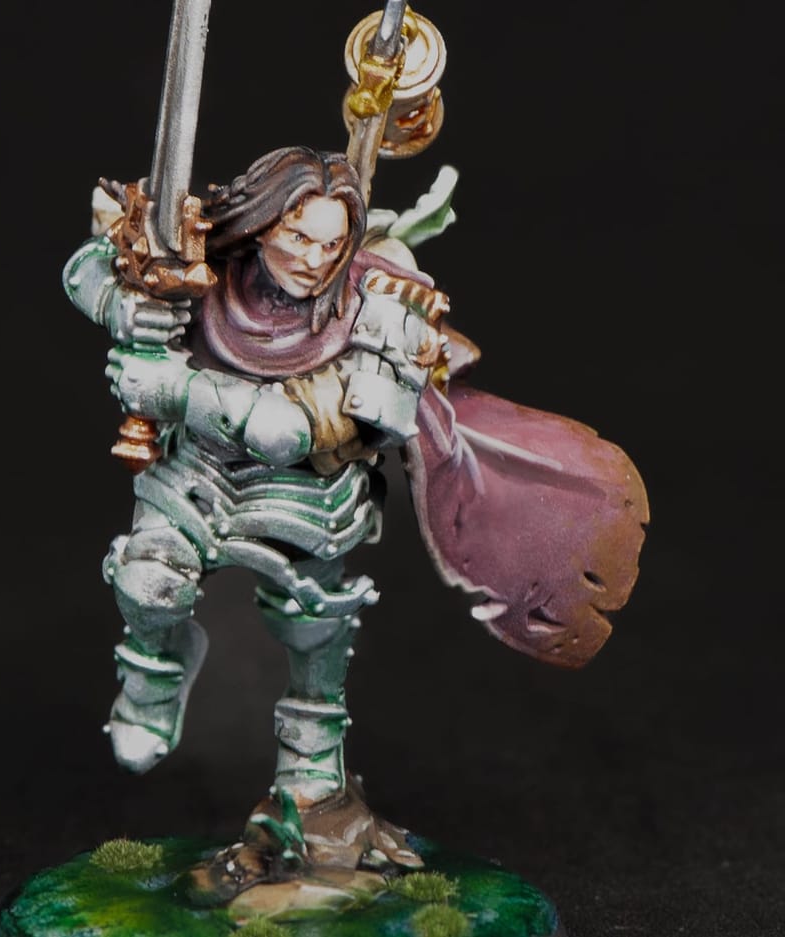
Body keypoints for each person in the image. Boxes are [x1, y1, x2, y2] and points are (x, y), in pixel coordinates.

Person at [63, 145, 647, 868]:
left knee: (313, 625)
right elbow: (86, 269)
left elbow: (300, 429)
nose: (314, 259)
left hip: (311, 494)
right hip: (194, 476)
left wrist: (176, 389)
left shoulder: (380, 300)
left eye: (331, 243)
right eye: (297, 237)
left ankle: (311, 758)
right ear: (260, 223)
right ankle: (153, 674)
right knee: (148, 582)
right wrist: (128, 301)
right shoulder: (206, 261)